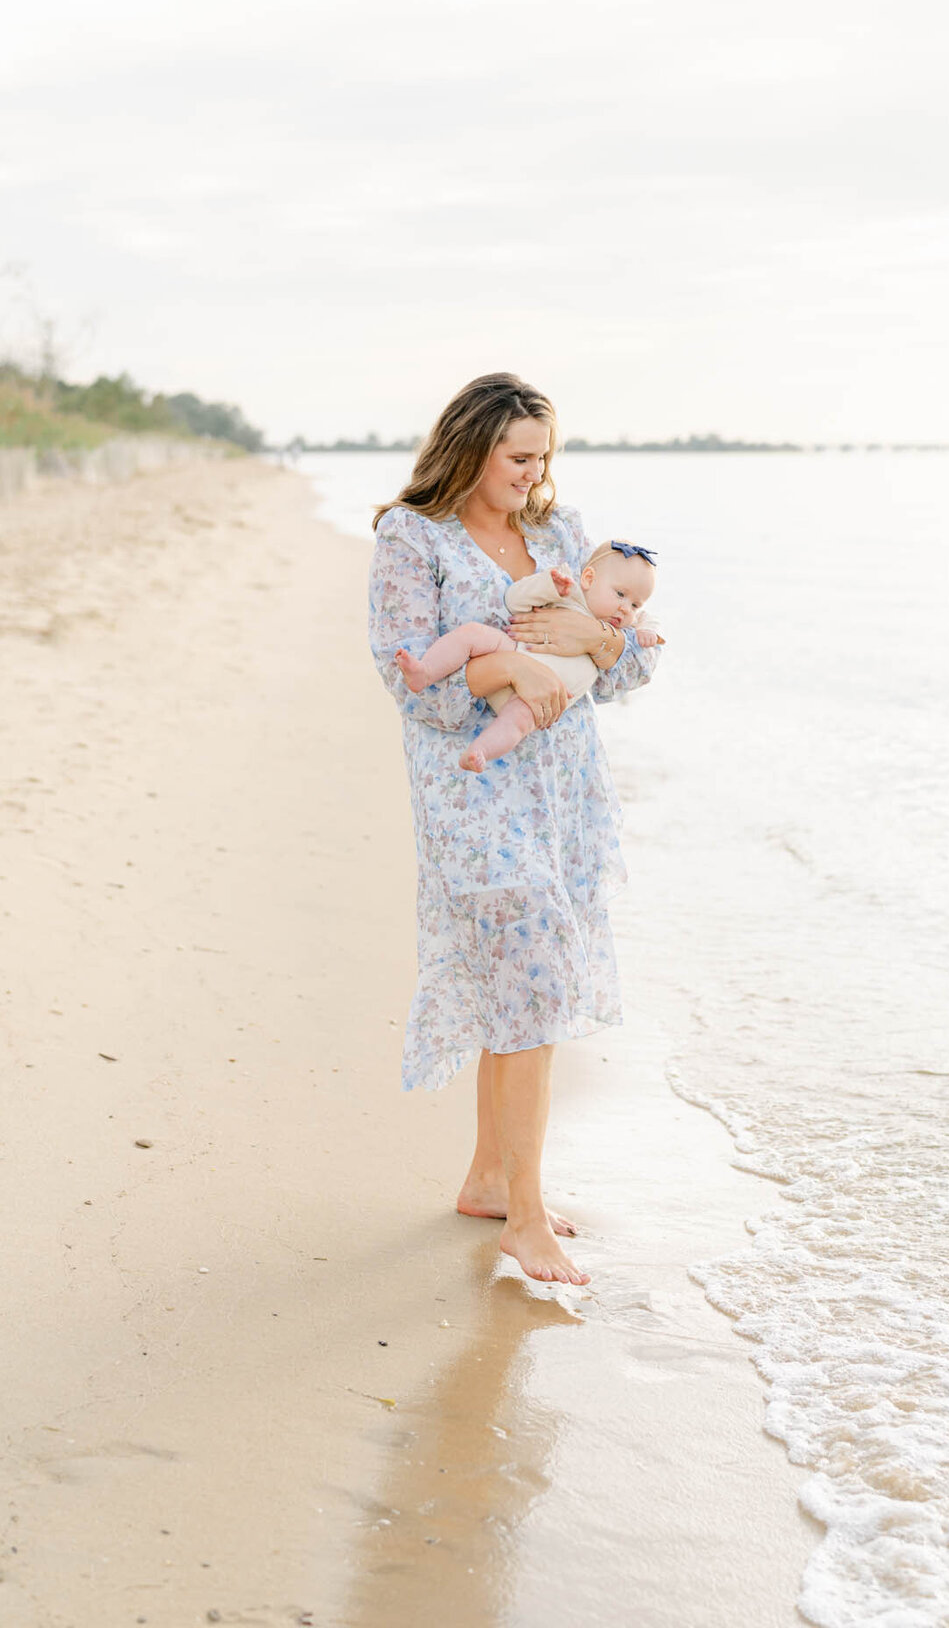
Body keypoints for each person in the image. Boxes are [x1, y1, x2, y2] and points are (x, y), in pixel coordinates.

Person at [367, 374, 662, 1285]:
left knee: (522, 989)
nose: (535, 476)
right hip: (474, 789)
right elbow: (403, 675)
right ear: (470, 446)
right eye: (519, 458)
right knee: (528, 969)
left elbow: (623, 673)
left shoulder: (562, 535)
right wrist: (512, 676)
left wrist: (597, 638)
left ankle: (492, 1180)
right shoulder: (409, 537)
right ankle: (526, 1220)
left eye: (545, 458)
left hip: (562, 794)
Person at [393, 541, 661, 772]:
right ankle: (425, 671)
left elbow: (648, 639)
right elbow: (515, 600)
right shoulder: (569, 594)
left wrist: (644, 631)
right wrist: (548, 586)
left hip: (541, 699)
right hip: (510, 652)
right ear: (589, 579)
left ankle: (481, 752)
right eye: (620, 595)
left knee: (517, 722)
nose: (626, 608)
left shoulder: (624, 626)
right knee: (473, 634)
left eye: (635, 604)